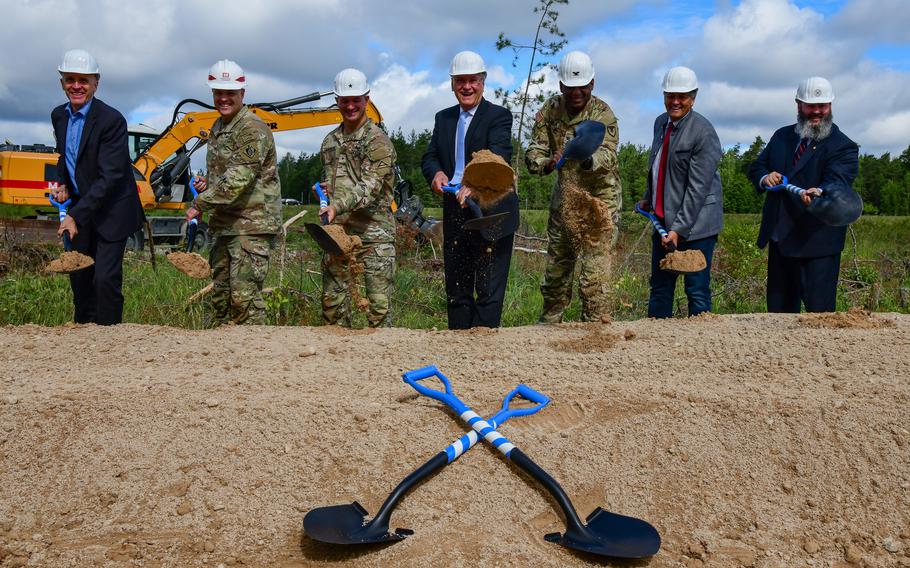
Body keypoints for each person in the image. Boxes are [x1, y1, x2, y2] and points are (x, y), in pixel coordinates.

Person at [421, 51, 518, 329]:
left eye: (472, 80)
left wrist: (472, 186)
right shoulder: (444, 118)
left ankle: (484, 352)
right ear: (453, 84)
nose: (467, 87)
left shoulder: (498, 117)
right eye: (460, 81)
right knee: (457, 286)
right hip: (455, 210)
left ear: (482, 82)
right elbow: (430, 156)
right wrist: (437, 172)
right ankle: (459, 346)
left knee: (488, 290)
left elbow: (498, 156)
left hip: (491, 210)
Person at [748, 76, 859, 313]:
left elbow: (838, 181)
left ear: (831, 105)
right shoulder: (781, 136)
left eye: (823, 106)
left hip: (817, 244)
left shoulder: (843, 146)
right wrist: (764, 178)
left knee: (819, 318)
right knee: (778, 316)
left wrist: (821, 191)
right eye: (811, 105)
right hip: (780, 241)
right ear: (798, 104)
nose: (817, 111)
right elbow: (757, 167)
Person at [525, 50, 621, 323]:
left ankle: (595, 329)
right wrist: (547, 162)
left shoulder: (603, 114)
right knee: (557, 267)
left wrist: (587, 158)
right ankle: (549, 326)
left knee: (594, 272)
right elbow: (533, 153)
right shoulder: (550, 111)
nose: (576, 93)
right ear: (561, 86)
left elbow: (609, 155)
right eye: (570, 88)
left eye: (582, 88)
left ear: (592, 84)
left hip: (600, 198)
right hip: (566, 194)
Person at [50, 49, 145, 325]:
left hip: (113, 211)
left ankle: (109, 340)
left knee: (105, 280)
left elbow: (111, 176)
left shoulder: (111, 121)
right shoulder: (59, 116)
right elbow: (66, 156)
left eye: (84, 80)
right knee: (79, 277)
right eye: (70, 79)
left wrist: (74, 215)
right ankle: (83, 338)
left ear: (96, 83)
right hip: (83, 208)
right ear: (62, 83)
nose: (76, 86)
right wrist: (65, 185)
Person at [186, 59, 281, 325]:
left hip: (251, 228)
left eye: (230, 93)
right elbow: (225, 177)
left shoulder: (252, 129)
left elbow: (239, 180)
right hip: (225, 227)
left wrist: (199, 202)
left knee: (245, 301)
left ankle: (254, 362)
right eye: (219, 93)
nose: (224, 98)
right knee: (221, 301)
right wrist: (210, 185)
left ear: (242, 94)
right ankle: (222, 363)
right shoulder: (218, 128)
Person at [638, 66, 723, 318]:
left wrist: (678, 230)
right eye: (670, 95)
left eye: (682, 97)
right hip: (664, 221)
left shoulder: (703, 132)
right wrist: (649, 197)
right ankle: (656, 346)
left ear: (693, 98)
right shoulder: (660, 123)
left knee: (696, 291)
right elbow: (658, 165)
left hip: (697, 227)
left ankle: (698, 349)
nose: (675, 101)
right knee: (660, 289)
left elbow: (698, 188)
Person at [316, 68, 397, 327]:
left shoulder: (378, 141)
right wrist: (328, 194)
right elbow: (335, 181)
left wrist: (337, 205)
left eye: (356, 100)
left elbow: (369, 187)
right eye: (344, 100)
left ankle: (380, 365)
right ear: (337, 101)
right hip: (338, 235)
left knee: (378, 310)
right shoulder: (330, 141)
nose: (350, 106)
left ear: (367, 99)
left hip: (374, 237)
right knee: (332, 309)